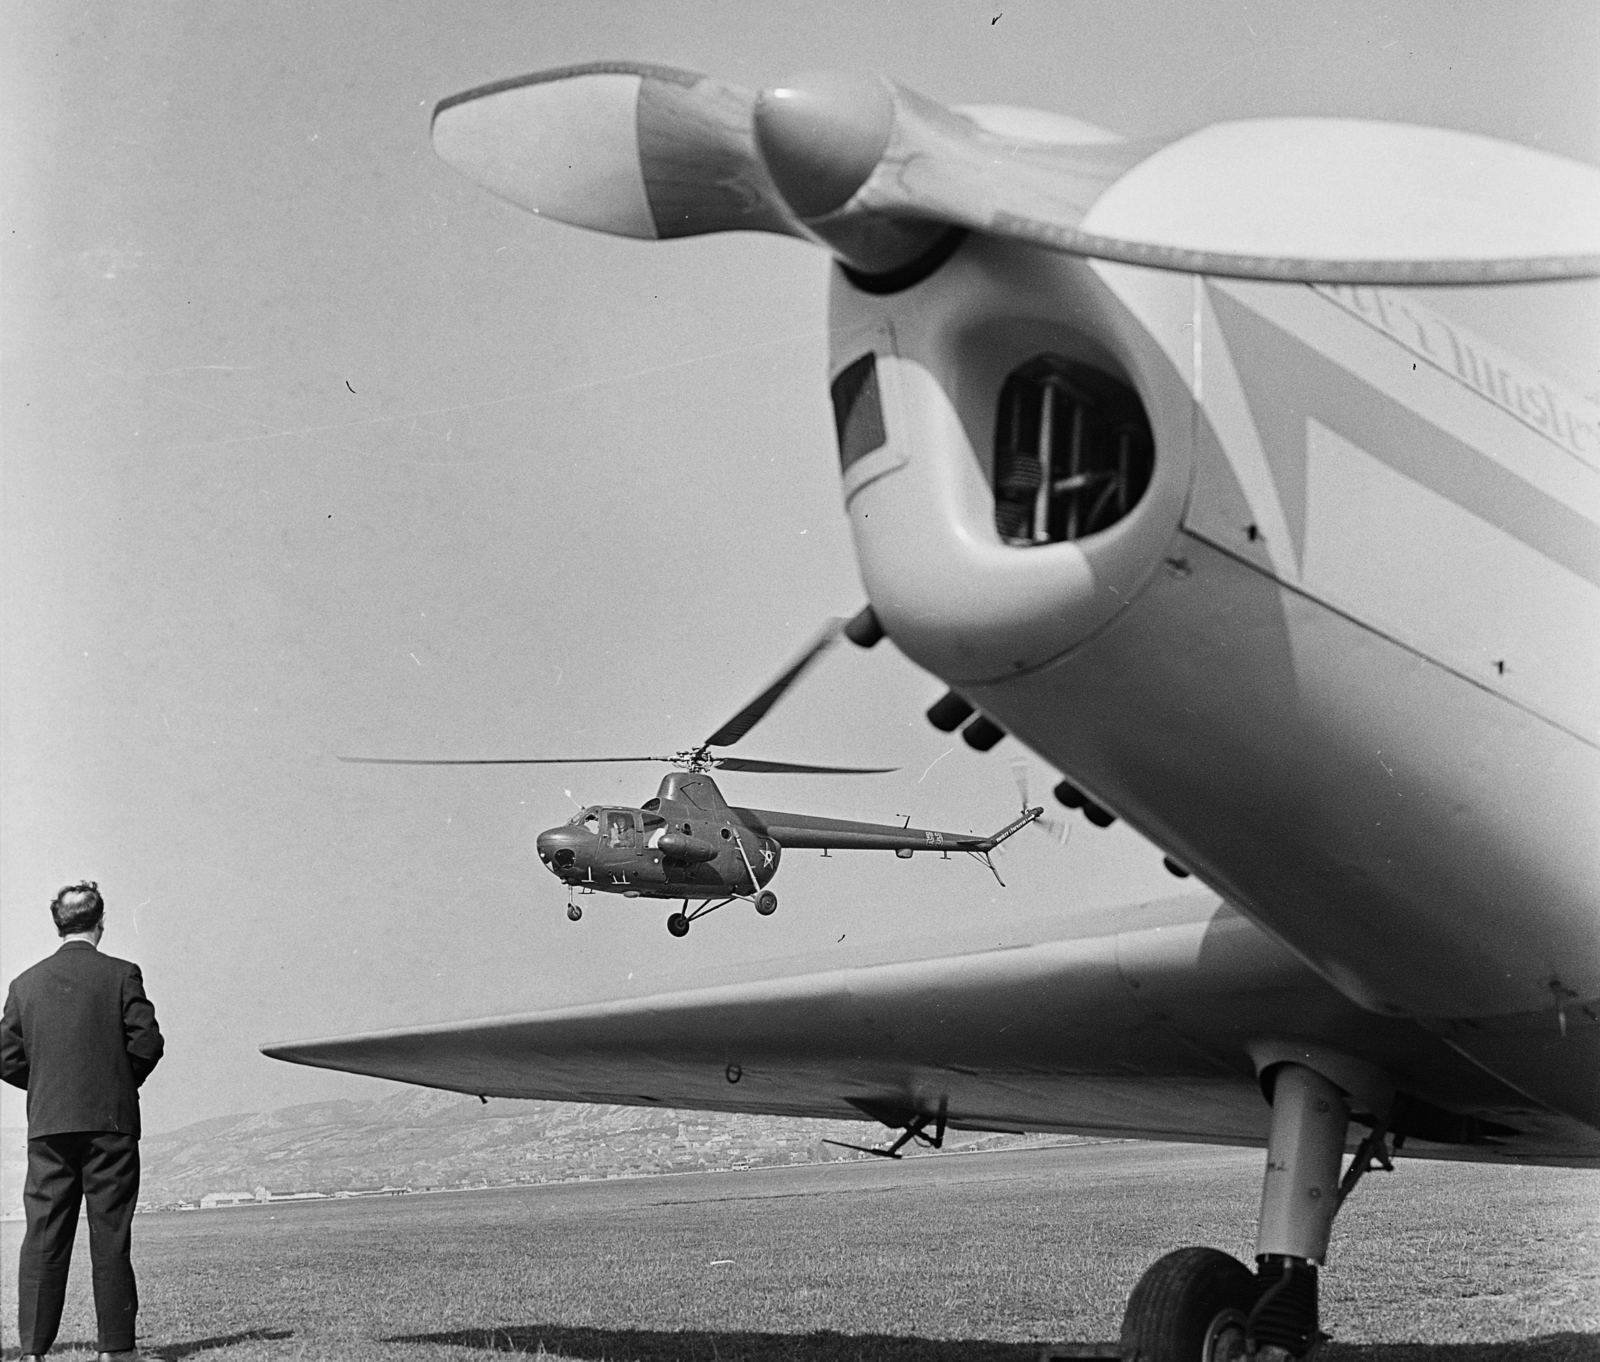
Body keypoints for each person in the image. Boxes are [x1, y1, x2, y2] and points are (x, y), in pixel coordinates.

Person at [1, 882, 164, 1362]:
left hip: (49, 1125)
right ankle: (116, 1350)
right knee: (110, 1234)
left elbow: (7, 1057)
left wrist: (50, 1085)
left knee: (43, 1236)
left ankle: (32, 1351)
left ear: (58, 923)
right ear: (101, 921)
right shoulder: (121, 974)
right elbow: (147, 1043)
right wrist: (114, 1081)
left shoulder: (24, 984)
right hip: (110, 1123)